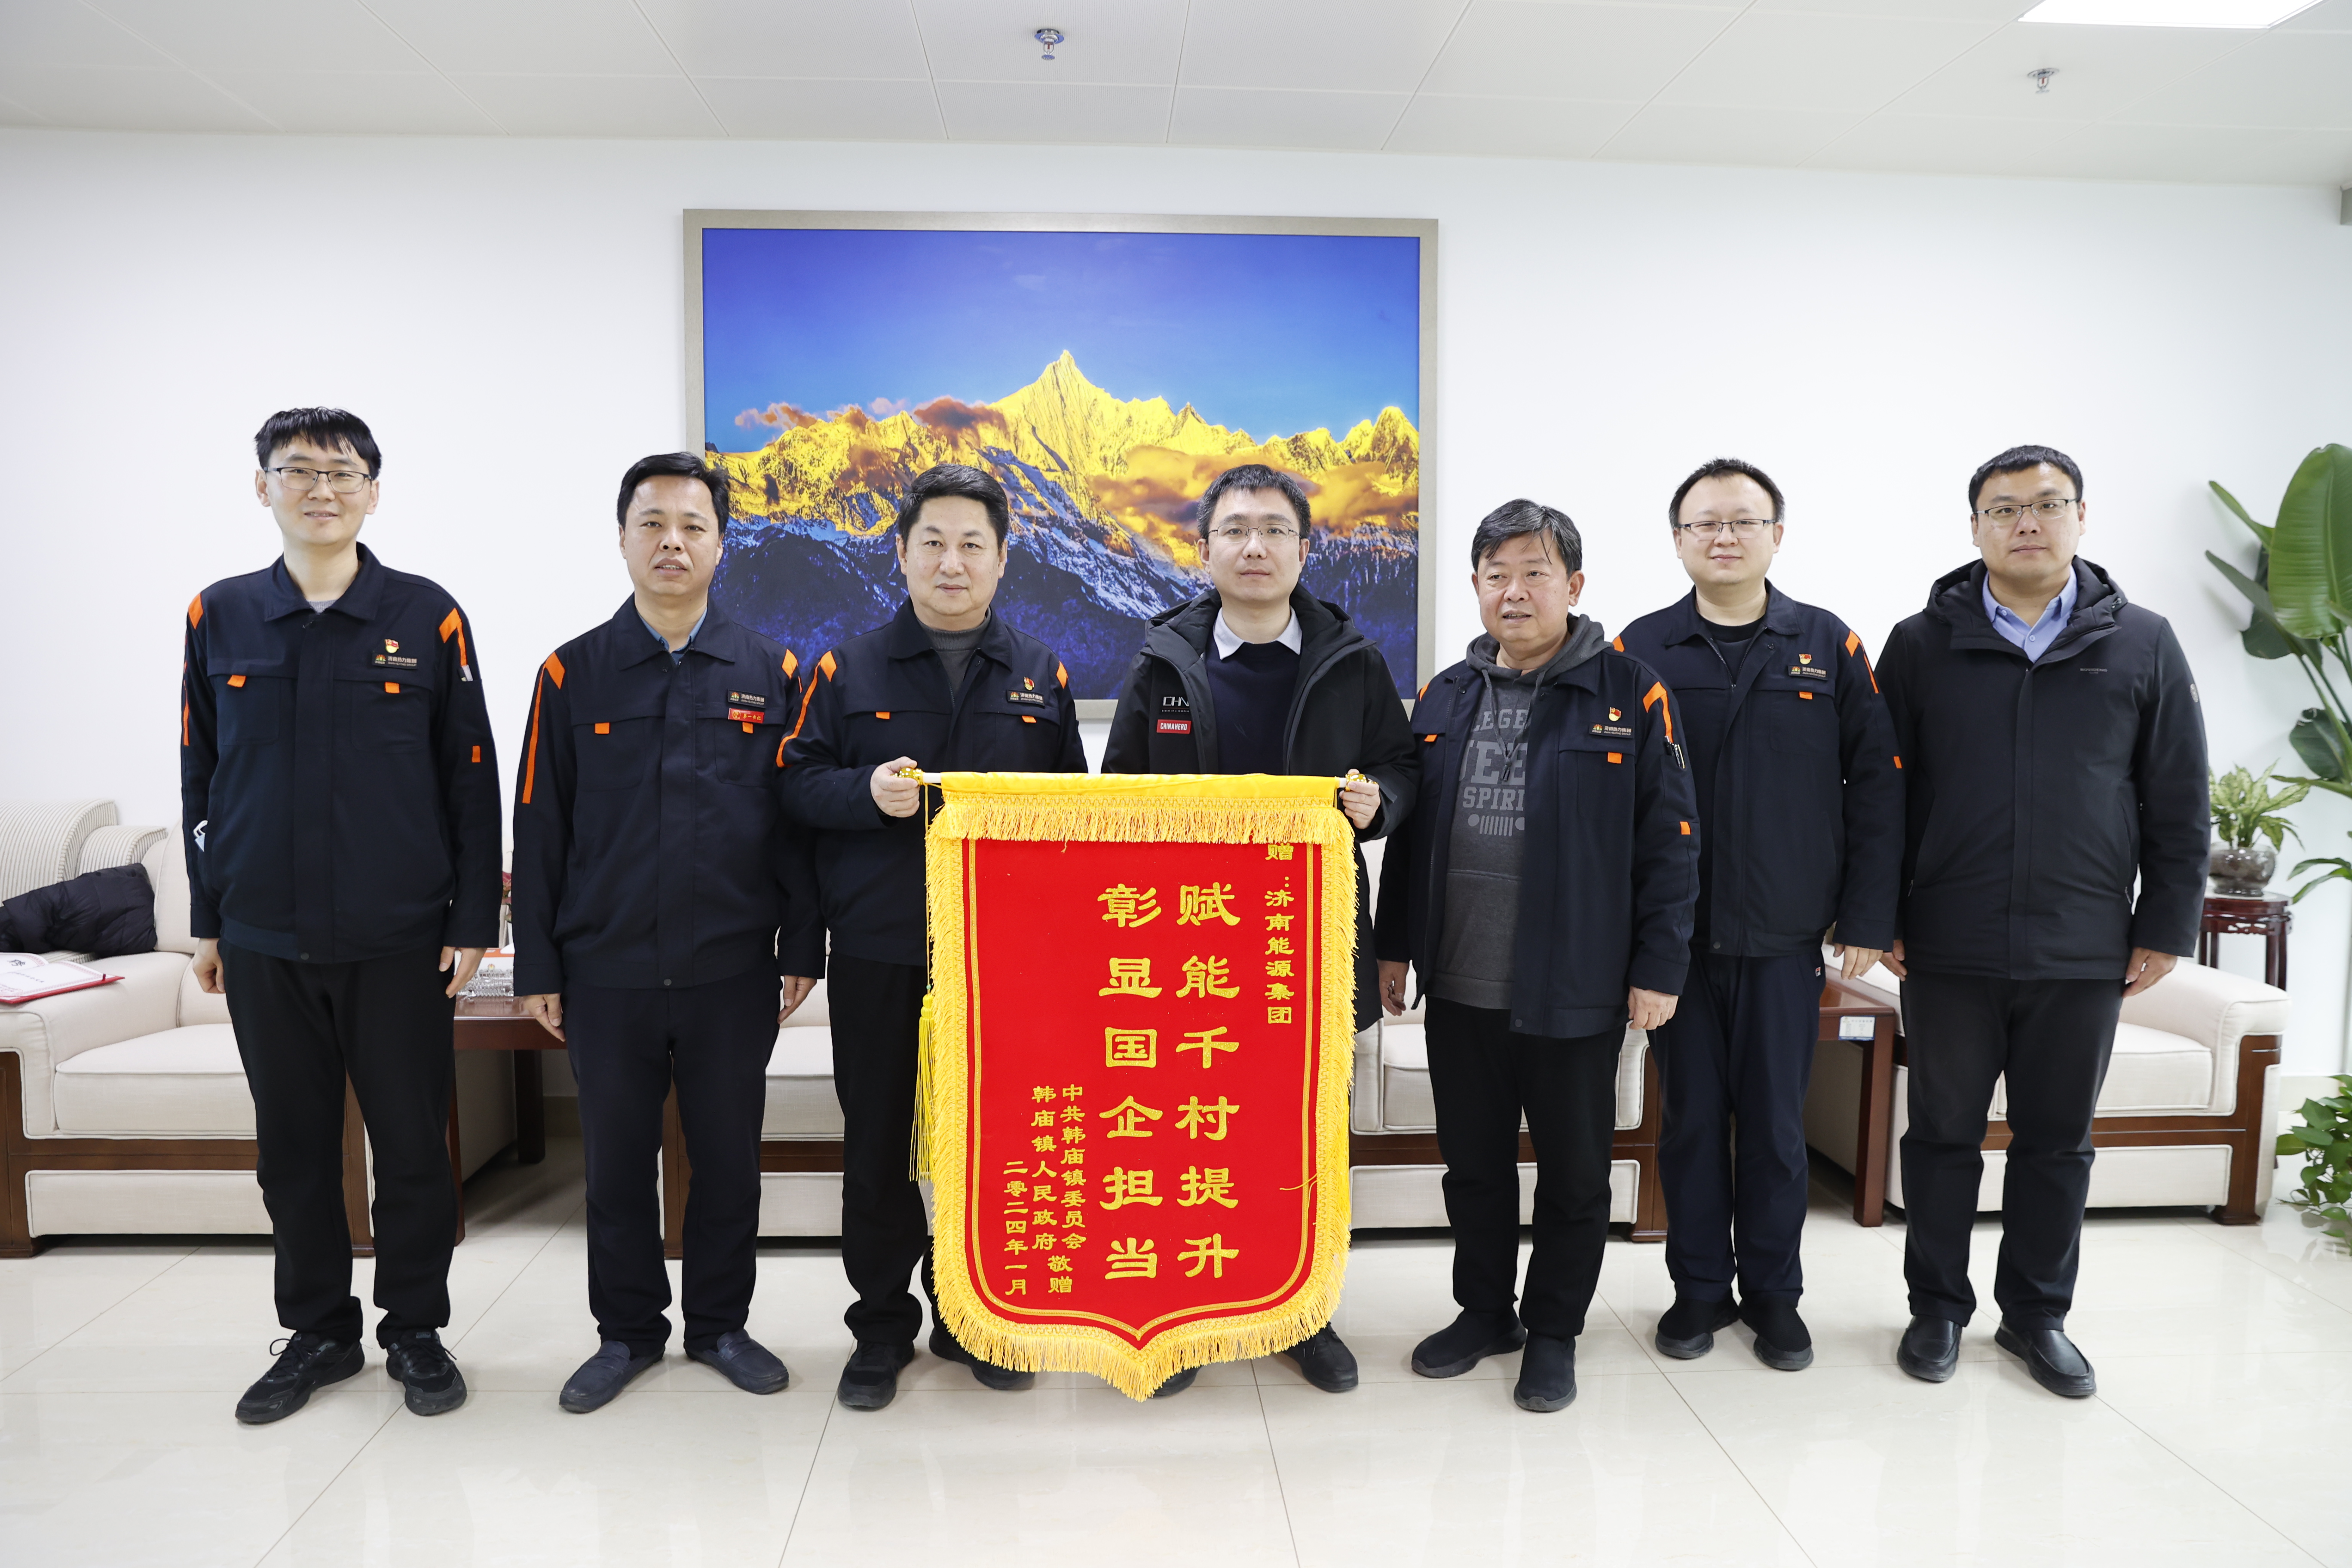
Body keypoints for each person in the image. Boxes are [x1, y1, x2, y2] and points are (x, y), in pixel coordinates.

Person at [181, 407, 499, 1424]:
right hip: (264, 935)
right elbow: (201, 773)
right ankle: (319, 1332)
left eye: (343, 472)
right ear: (262, 487)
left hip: (398, 936)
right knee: (293, 1151)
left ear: (373, 491)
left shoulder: (428, 615)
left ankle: (415, 1329)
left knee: (412, 1145)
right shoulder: (219, 614)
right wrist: (208, 917)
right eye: (299, 471)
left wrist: (472, 921)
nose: (322, 489)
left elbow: (472, 777)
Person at [1878, 444, 2207, 1398]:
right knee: (1942, 1135)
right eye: (2004, 508)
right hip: (1948, 939)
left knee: (2057, 1141)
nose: (2027, 522)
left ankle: (2036, 1316)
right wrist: (1878, 912)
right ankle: (1938, 1308)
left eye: (2048, 504)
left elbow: (2178, 795)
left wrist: (2165, 924)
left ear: (2081, 517)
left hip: (2081, 940)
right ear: (1975, 526)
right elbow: (1881, 795)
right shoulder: (1920, 644)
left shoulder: (2143, 642)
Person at [511, 452, 823, 1414]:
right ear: (622, 540)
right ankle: (628, 1333)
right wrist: (539, 965)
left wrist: (800, 949)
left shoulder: (772, 670)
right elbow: (540, 826)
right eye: (652, 524)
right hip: (607, 971)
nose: (672, 543)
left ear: (722, 545)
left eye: (693, 526)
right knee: (614, 1166)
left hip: (733, 968)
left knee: (729, 1161)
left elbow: (797, 824)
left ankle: (721, 1326)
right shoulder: (571, 673)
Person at [1375, 499, 1699, 1412]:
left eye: (1534, 573)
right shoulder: (1446, 693)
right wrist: (1394, 946)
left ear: (1574, 585)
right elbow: (1413, 836)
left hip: (1576, 987)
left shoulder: (1630, 691)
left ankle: (1553, 1331)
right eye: (1496, 575)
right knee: (1474, 1167)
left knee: (1575, 1175)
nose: (1513, 592)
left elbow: (1673, 841)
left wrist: (1659, 968)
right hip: (1461, 985)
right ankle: (1485, 1313)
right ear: (1476, 586)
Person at [1101, 460, 1416, 1397]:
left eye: (1274, 530)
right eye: (1235, 530)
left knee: (1305, 1140)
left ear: (1304, 550)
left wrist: (1380, 803)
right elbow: (1117, 797)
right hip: (1186, 948)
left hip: (1305, 943)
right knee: (1188, 1139)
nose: (1254, 546)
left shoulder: (1353, 662)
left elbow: (1402, 771)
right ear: (1204, 550)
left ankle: (1303, 1313)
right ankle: (1191, 1316)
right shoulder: (1164, 660)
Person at [781, 462, 1085, 1411]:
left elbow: (1073, 818)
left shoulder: (1042, 673)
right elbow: (793, 785)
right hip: (879, 949)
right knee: (877, 1144)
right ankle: (881, 1328)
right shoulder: (846, 668)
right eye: (934, 544)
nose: (952, 564)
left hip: (1002, 960)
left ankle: (974, 1315)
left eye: (972, 546)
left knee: (989, 1143)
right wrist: (865, 793)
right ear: (902, 552)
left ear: (1002, 559)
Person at [1617, 459, 1902, 1371]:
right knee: (1693, 1122)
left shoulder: (1828, 644)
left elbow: (1878, 787)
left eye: (1744, 520)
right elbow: (1613, 803)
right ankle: (1699, 1290)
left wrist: (1867, 916)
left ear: (1777, 535)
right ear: (1679, 540)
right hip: (1678, 942)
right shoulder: (1640, 648)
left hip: (1786, 936)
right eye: (1705, 523)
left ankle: (1776, 1296)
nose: (1725, 537)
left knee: (1778, 1128)